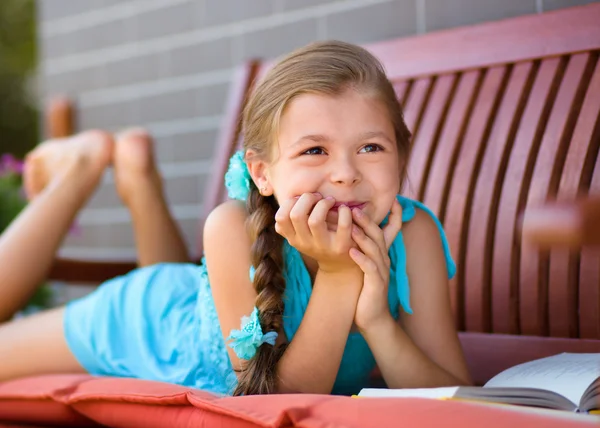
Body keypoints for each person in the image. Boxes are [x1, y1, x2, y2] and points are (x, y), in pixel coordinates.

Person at [0, 41, 472, 396]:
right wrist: (339, 273)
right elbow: (273, 404)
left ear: (401, 155)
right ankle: (84, 165)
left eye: (371, 147)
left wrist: (377, 323)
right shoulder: (230, 227)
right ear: (262, 173)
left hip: (199, 307)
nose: (346, 174)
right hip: (139, 326)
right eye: (314, 150)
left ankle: (138, 176)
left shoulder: (414, 234)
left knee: (188, 295)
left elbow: (457, 396)